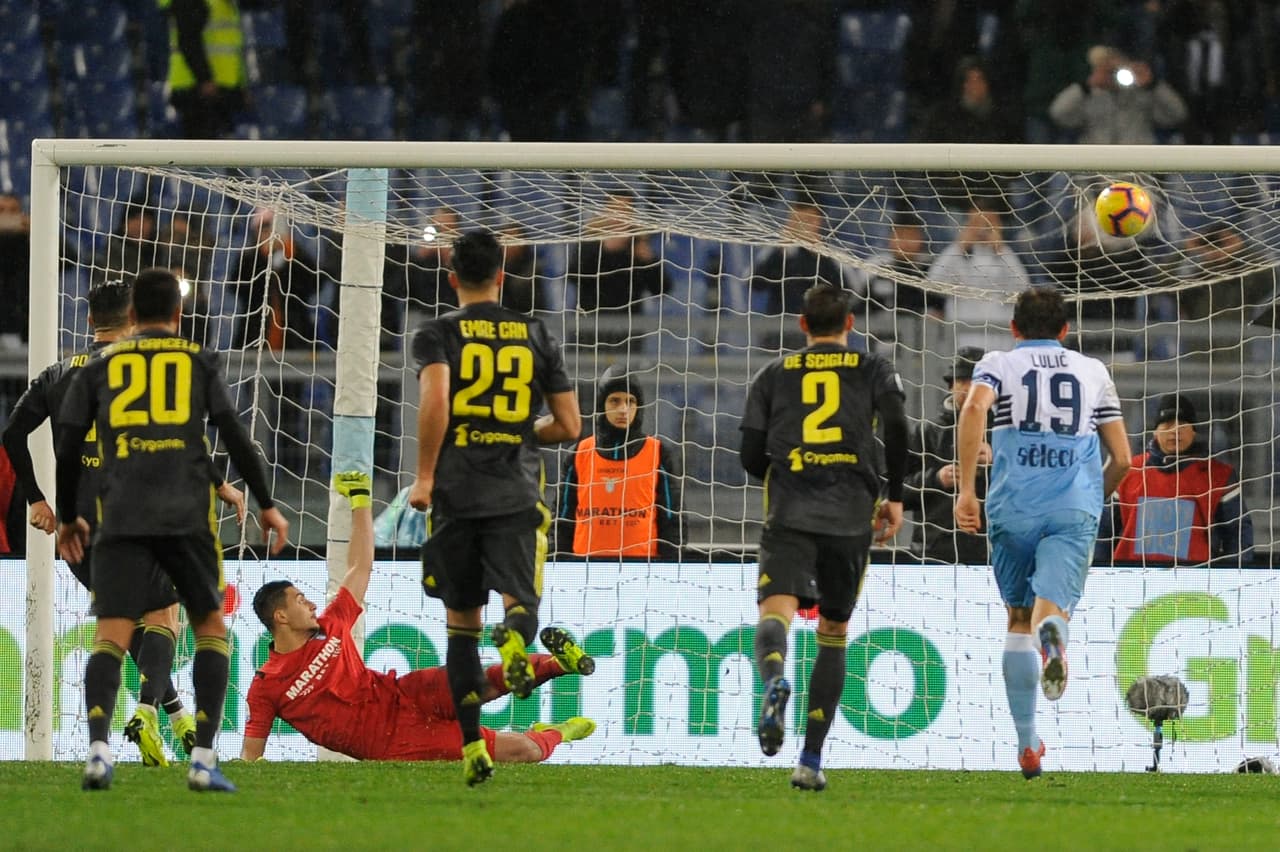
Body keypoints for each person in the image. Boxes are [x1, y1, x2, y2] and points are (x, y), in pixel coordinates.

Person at [55, 267, 289, 792]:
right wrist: (267, 503)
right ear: (179, 315)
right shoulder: (198, 361)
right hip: (184, 516)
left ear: (132, 315)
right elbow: (232, 434)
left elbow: (69, 443)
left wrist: (71, 514)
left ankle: (98, 751)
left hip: (121, 514)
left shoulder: (101, 366)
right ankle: (203, 759)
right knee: (209, 627)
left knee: (112, 633)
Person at [4, 277, 247, 768]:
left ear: (90, 320)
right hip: (137, 513)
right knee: (164, 618)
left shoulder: (56, 373)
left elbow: (12, 433)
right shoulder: (141, 370)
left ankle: (172, 712)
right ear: (134, 319)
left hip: (78, 531)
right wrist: (220, 484)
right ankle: (145, 710)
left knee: (125, 624)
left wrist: (38, 500)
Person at [243, 471, 596, 763]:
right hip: (393, 742)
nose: (312, 606)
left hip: (404, 693)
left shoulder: (330, 625)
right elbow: (250, 758)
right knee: (524, 750)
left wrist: (361, 502)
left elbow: (360, 565)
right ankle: (558, 732)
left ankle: (560, 664)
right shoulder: (266, 686)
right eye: (301, 601)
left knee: (480, 680)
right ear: (281, 617)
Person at [407, 230, 582, 785]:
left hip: (457, 494)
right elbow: (571, 426)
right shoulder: (535, 333)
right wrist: (523, 434)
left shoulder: (437, 333)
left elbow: (436, 400)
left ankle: (470, 748)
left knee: (460, 628)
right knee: (519, 600)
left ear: (452, 276)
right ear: (502, 275)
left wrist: (426, 475)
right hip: (514, 493)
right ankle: (513, 637)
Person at [954, 286, 1131, 780]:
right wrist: (1092, 500)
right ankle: (1053, 639)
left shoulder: (997, 363)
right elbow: (1124, 459)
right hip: (1071, 506)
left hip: (1012, 506)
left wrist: (967, 490)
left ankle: (1027, 743)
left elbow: (972, 410)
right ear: (1065, 331)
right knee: (1048, 614)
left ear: (1014, 329)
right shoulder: (1093, 371)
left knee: (1015, 618)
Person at [739, 283, 908, 791]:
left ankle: (774, 680)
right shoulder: (873, 367)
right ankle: (809, 761)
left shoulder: (773, 373)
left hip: (790, 512)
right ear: (851, 325)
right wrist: (894, 494)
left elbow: (749, 456)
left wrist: (789, 470)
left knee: (775, 613)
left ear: (801, 325)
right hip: (850, 518)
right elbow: (897, 423)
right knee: (832, 633)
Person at [1100, 394, 1253, 567]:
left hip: (1195, 583)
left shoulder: (1219, 476)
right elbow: (1103, 532)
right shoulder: (1128, 471)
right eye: (1168, 423)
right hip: (1132, 580)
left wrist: (1228, 578)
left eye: (1183, 424)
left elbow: (1239, 534)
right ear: (1155, 431)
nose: (1175, 430)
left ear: (1194, 431)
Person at [556, 366, 682, 560]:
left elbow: (672, 520)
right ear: (602, 405)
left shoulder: (658, 452)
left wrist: (669, 568)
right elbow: (563, 520)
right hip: (584, 570)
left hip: (642, 569)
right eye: (615, 400)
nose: (623, 409)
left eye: (630, 401)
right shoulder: (579, 453)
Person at [904, 347, 990, 566]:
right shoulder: (926, 433)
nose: (970, 389)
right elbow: (895, 491)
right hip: (933, 552)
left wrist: (995, 463)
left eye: (977, 382)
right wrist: (935, 479)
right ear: (951, 385)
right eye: (963, 381)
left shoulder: (1002, 433)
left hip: (989, 550)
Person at [926, 195, 1030, 351]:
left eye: (988, 223)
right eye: (975, 223)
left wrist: (1001, 249)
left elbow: (1022, 289)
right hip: (961, 339)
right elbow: (933, 283)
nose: (982, 229)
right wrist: (959, 246)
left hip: (1001, 340)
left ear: (999, 225)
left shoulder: (1011, 255)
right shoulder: (955, 255)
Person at [1048, 45, 1187, 145]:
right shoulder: (1087, 94)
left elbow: (1177, 114)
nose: (1113, 75)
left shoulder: (1144, 92)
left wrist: (1153, 85)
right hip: (1096, 168)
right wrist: (1085, 87)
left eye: (1116, 69)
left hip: (1135, 167)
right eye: (1108, 70)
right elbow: (1058, 114)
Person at [160, 0, 247, 140]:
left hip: (220, 89)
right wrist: (205, 78)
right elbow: (188, 40)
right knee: (200, 152)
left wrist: (241, 84)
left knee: (218, 153)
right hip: (196, 89)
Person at [0, 192, 30, 349]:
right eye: (1, 211)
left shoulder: (29, 242)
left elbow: (70, 256)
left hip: (25, 331)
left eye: (12, 211)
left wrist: (36, 230)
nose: (7, 217)